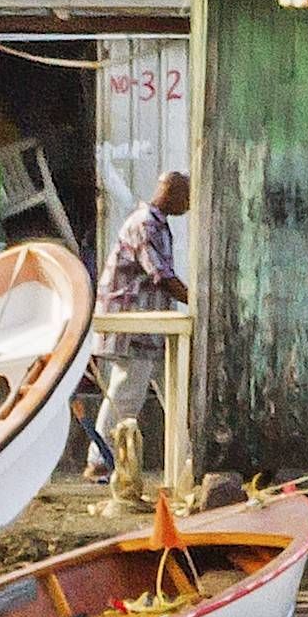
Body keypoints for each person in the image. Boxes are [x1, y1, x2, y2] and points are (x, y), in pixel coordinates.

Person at [91, 171, 190, 490]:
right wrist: (197, 300)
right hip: (132, 324)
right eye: (187, 198)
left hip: (152, 325)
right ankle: (100, 459)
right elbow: (160, 275)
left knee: (176, 393)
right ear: (173, 194)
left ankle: (190, 459)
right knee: (127, 392)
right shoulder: (145, 223)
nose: (189, 205)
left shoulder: (158, 224)